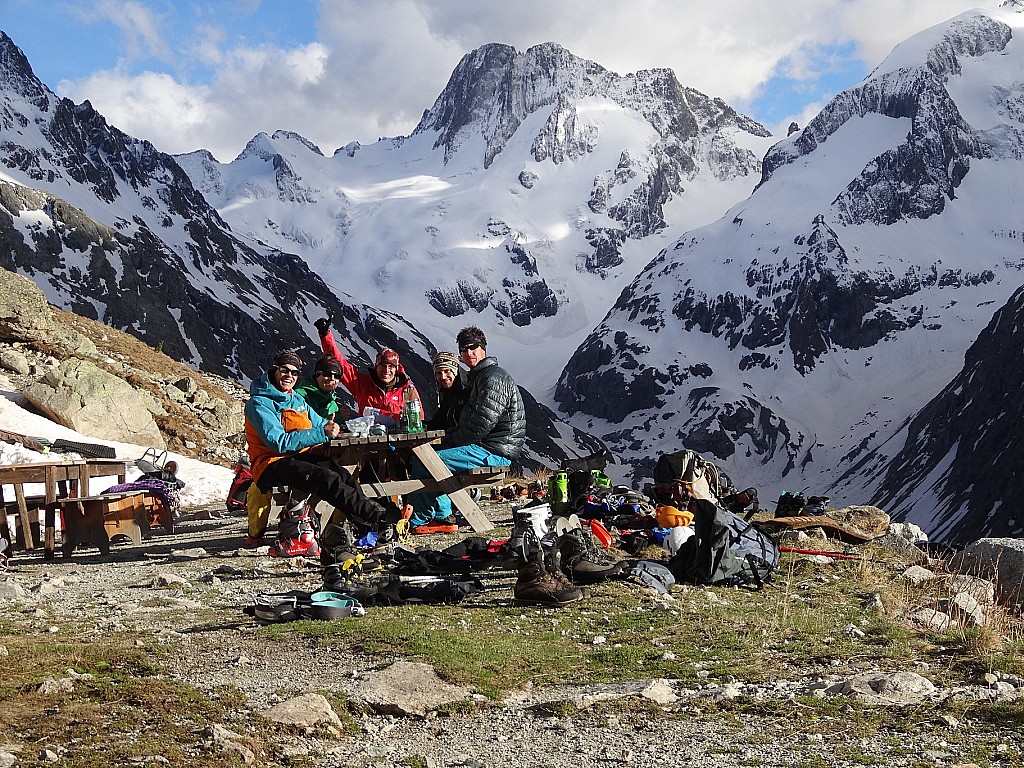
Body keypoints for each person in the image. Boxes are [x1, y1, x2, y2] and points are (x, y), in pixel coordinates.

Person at [244, 349, 390, 556]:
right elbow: (278, 442)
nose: (289, 376)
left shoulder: (295, 399)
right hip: (270, 463)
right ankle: (378, 519)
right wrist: (321, 432)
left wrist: (341, 429)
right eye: (284, 370)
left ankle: (368, 529)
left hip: (298, 457)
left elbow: (320, 423)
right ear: (274, 371)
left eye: (294, 373)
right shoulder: (259, 403)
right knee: (326, 478)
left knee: (342, 475)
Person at [406, 326, 526, 534]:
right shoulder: (481, 377)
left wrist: (445, 441)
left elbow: (480, 425)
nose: (469, 353)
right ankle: (441, 516)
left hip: (493, 451)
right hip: (489, 447)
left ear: (483, 348)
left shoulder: (492, 377)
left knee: (426, 461)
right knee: (427, 458)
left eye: (473, 347)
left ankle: (422, 519)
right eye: (464, 349)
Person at [314, 313, 422, 423]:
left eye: (391, 367)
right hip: (368, 438)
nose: (386, 370)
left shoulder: (407, 389)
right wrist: (325, 335)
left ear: (396, 369)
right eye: (383, 366)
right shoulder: (362, 384)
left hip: (400, 438)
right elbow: (340, 363)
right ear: (376, 367)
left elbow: (419, 417)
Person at [294, 355, 349, 421]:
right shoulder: (299, 396)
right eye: (327, 374)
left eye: (337, 376)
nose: (332, 378)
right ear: (317, 375)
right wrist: (338, 417)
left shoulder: (333, 404)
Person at [424, 350, 466, 432]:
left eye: (447, 371)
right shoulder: (447, 394)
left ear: (455, 371)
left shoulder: (468, 391)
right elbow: (438, 423)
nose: (443, 377)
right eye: (439, 373)